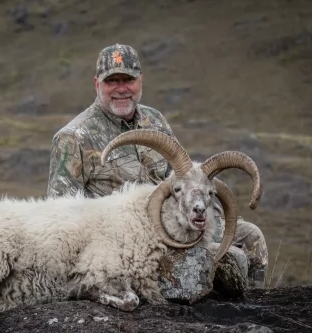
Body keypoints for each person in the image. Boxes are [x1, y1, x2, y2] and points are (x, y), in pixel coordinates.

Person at [47, 43, 268, 288]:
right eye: (112, 81)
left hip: (177, 224)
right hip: (124, 241)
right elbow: (60, 213)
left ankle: (251, 310)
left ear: (140, 80)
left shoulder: (155, 121)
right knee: (231, 258)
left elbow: (181, 179)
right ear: (97, 84)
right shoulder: (73, 138)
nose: (121, 89)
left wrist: (208, 213)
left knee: (250, 238)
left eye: (128, 79)